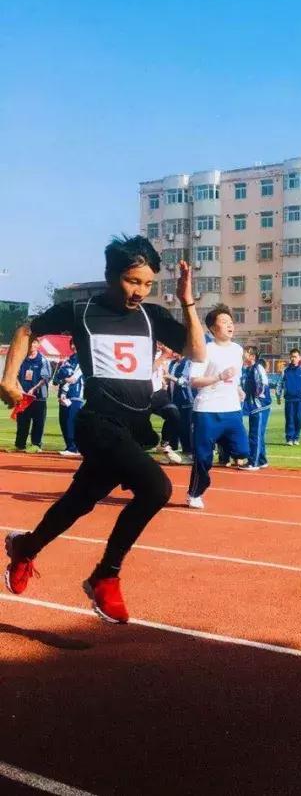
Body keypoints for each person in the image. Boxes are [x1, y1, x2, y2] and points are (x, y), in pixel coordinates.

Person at [1, 235, 206, 623]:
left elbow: (196, 352)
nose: (139, 292)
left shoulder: (151, 317)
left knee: (80, 501)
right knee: (157, 488)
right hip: (97, 423)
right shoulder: (81, 310)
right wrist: (9, 380)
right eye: (132, 281)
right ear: (111, 275)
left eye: (147, 284)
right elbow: (27, 330)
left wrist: (186, 302)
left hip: (134, 427)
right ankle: (105, 576)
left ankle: (26, 547)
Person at [185, 305, 248, 509]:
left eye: (231, 322)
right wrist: (219, 377)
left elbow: (235, 377)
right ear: (212, 328)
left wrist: (238, 389)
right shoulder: (204, 350)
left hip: (232, 410)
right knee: (203, 458)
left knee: (243, 452)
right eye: (223, 322)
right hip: (207, 411)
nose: (229, 325)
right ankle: (195, 493)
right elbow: (194, 380)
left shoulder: (238, 350)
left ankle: (224, 450)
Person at [13, 338, 51, 453]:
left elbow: (45, 378)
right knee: (22, 421)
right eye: (30, 342)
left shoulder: (43, 360)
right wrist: (20, 389)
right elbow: (15, 375)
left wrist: (33, 389)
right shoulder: (22, 359)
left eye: (34, 342)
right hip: (23, 396)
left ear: (38, 345)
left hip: (38, 397)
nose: (32, 345)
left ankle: (36, 444)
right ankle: (20, 445)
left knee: (38, 421)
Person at [150, 346, 183, 464]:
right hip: (141, 393)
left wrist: (164, 380)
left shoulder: (162, 355)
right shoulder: (146, 350)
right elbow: (147, 370)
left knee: (174, 414)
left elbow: (162, 374)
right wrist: (163, 355)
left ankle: (165, 444)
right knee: (142, 430)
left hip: (159, 394)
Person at [241, 346, 272, 470]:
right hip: (253, 406)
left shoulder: (257, 368)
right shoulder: (247, 369)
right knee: (258, 433)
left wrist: (257, 398)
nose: (243, 355)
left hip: (259, 406)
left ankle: (253, 462)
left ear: (252, 357)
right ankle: (262, 460)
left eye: (246, 354)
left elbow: (262, 385)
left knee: (255, 434)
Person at [277, 348, 301, 446]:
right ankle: (289, 438)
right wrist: (278, 396)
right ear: (290, 358)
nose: (293, 359)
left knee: (298, 419)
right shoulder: (285, 370)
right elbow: (279, 384)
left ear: (299, 358)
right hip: (289, 399)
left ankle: (296, 438)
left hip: (300, 399)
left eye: (295, 357)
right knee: (289, 419)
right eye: (292, 357)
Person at [52, 351, 84, 457]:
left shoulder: (83, 362)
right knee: (64, 421)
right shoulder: (66, 362)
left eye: (75, 344)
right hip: (63, 396)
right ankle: (69, 446)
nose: (74, 347)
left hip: (75, 395)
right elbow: (56, 380)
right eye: (72, 345)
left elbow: (73, 379)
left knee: (71, 421)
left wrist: (63, 380)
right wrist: (63, 381)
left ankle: (74, 447)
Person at [165, 349, 194, 460]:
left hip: (185, 400)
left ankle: (188, 450)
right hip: (174, 399)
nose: (173, 353)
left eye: (175, 350)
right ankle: (173, 447)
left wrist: (169, 377)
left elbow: (185, 381)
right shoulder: (172, 363)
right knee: (174, 422)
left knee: (185, 425)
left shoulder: (187, 362)